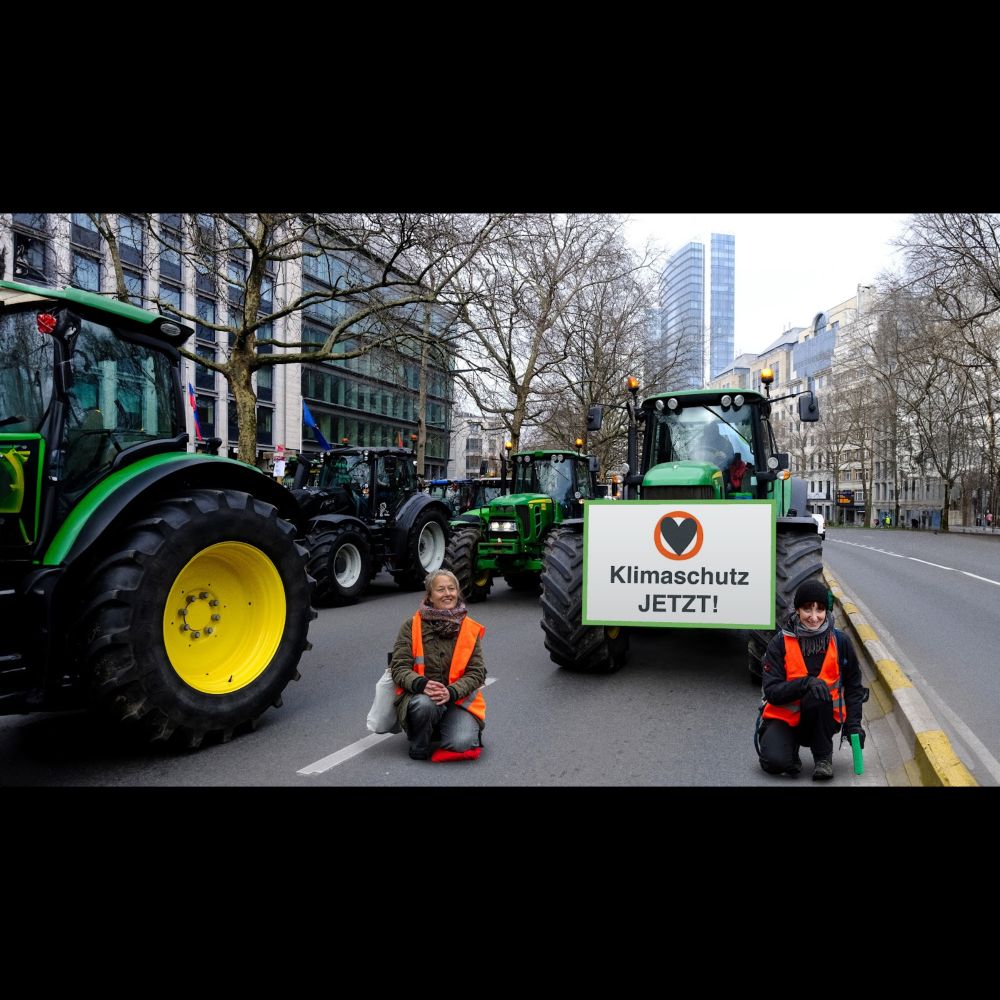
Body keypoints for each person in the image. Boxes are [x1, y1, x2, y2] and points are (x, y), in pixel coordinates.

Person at [756, 579, 866, 781]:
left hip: (822, 719)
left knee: (820, 693)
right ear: (797, 610)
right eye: (807, 609)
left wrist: (854, 725)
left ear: (827, 611)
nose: (814, 617)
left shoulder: (840, 642)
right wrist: (805, 683)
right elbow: (771, 691)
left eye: (820, 609)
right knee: (774, 763)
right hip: (785, 719)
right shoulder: (779, 643)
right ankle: (787, 750)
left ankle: (823, 758)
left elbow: (854, 688)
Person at [389, 569, 487, 762]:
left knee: (461, 743)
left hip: (456, 699)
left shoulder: (469, 627)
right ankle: (420, 744)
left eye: (451, 589)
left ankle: (441, 726)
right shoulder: (411, 625)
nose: (447, 594)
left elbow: (477, 673)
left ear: (458, 592)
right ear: (430, 596)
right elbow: (399, 667)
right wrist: (423, 685)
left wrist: (450, 692)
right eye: (440, 589)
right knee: (425, 706)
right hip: (420, 697)